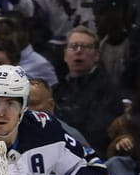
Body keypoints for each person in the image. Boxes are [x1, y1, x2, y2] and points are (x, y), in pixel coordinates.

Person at [53, 25, 125, 155]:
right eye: (73, 46)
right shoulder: (56, 90)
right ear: (65, 55)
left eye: (85, 47)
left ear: (97, 55)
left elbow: (98, 133)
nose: (79, 51)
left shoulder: (108, 90)